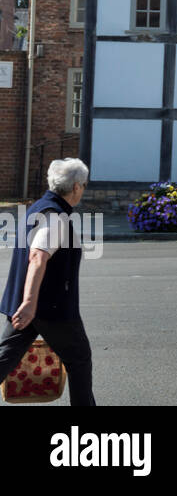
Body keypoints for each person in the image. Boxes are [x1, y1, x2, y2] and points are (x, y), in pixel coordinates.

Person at [0, 158, 96, 405]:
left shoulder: (38, 207)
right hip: (49, 306)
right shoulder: (55, 216)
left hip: (27, 303)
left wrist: (27, 302)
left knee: (5, 358)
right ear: (76, 187)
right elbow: (37, 258)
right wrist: (31, 303)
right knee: (79, 360)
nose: (83, 189)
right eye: (84, 185)